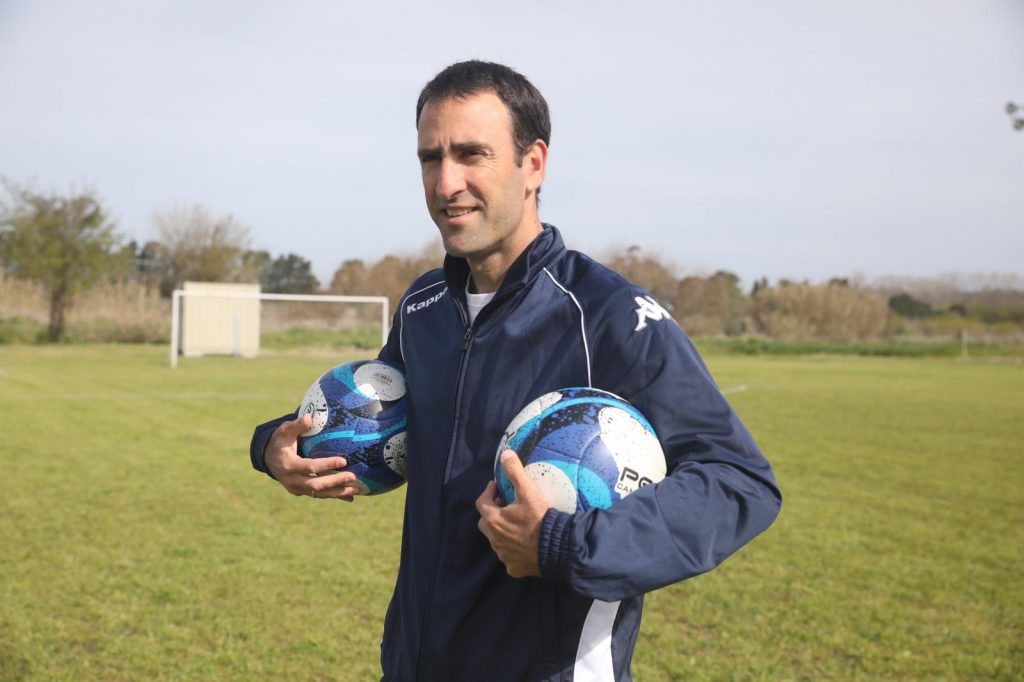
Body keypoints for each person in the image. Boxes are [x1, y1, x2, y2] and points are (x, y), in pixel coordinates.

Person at [250, 60, 781, 682]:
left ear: (534, 163)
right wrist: (278, 446)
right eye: (430, 158)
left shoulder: (608, 316)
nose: (446, 182)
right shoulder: (423, 308)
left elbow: (738, 481)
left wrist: (563, 545)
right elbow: (378, 419)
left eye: (472, 154)